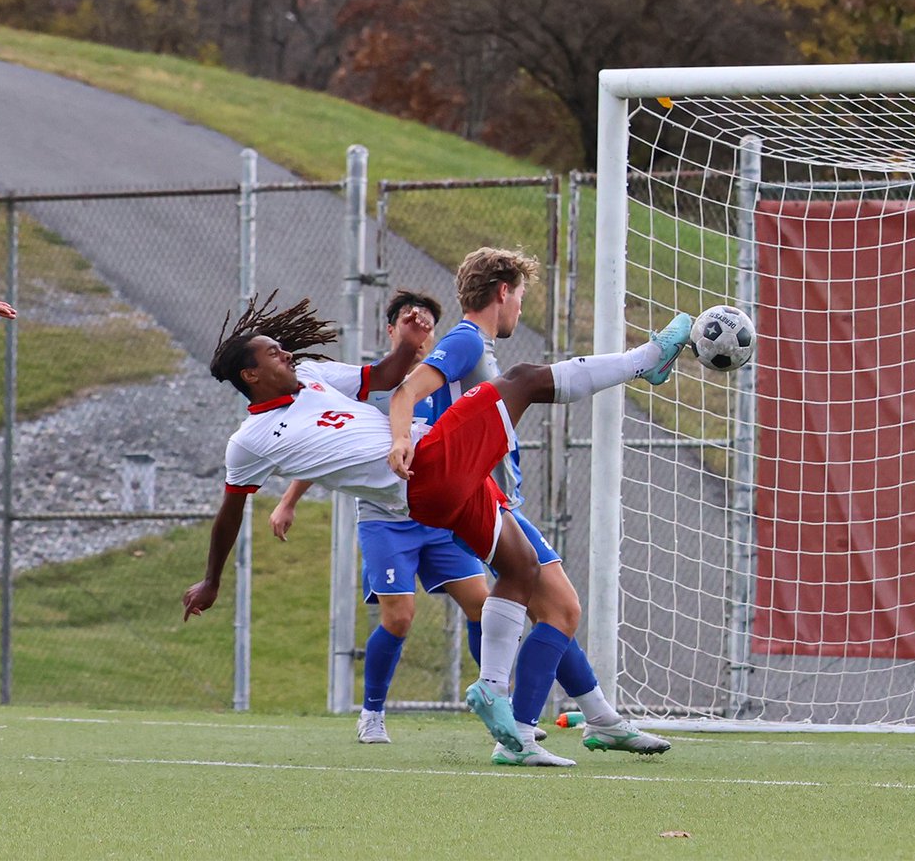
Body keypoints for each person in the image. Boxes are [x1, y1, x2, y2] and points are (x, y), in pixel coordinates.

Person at [183, 288, 690, 756]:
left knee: (522, 571)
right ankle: (646, 361)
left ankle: (497, 698)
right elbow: (230, 514)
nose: (286, 354)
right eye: (274, 353)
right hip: (428, 471)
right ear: (250, 376)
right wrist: (211, 578)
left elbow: (383, 379)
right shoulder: (248, 441)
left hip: (436, 497)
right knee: (523, 380)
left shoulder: (315, 377)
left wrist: (408, 342)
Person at [388, 247, 678, 766]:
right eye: (520, 295)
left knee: (559, 609)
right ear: (503, 292)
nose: (520, 307)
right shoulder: (465, 340)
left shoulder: (474, 348)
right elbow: (410, 389)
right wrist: (401, 436)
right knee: (559, 607)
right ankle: (520, 730)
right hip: (475, 495)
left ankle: (599, 719)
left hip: (486, 495)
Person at [269, 289, 491, 746]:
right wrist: (289, 500)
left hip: (440, 516)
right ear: (392, 331)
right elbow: (330, 446)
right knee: (400, 618)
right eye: (412, 321)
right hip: (386, 518)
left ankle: (497, 705)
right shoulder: (369, 386)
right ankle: (371, 713)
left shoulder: (451, 379)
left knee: (483, 607)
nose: (421, 328)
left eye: (430, 323)